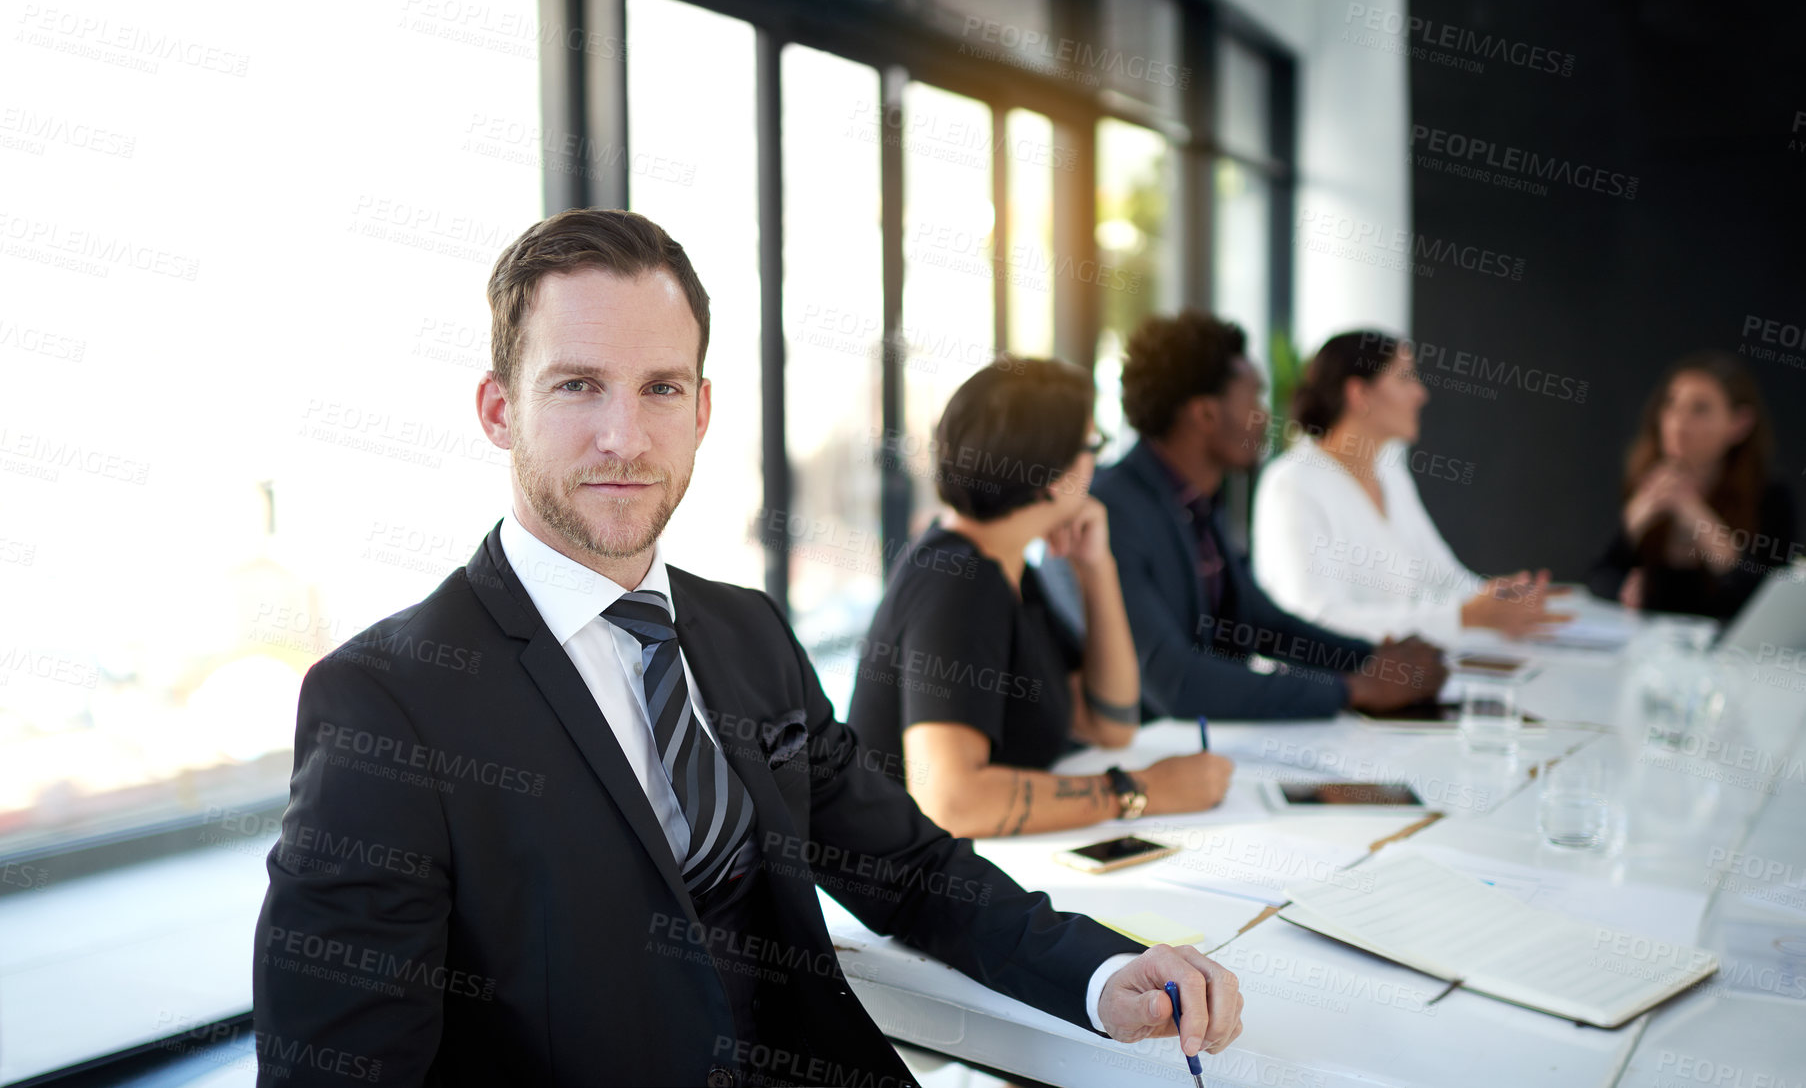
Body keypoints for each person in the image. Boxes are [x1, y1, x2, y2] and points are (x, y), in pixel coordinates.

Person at [251, 209, 1243, 1088]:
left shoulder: (746, 631)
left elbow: (909, 868)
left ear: (703, 411)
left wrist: (1104, 972)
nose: (624, 437)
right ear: (498, 410)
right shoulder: (389, 698)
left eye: (660, 388)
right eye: (578, 385)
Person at [847, 358, 1234, 838]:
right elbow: (952, 802)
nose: (1099, 464)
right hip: (918, 893)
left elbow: (1109, 724)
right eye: (1093, 447)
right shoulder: (959, 581)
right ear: (1053, 476)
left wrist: (1097, 570)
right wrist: (1142, 789)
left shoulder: (1009, 569)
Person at [1093, 310, 1447, 723]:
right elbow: (1176, 683)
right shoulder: (1117, 511)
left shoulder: (1193, 503)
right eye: (1254, 398)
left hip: (1202, 746)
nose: (1266, 416)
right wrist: (1356, 688)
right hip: (1141, 754)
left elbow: (1261, 623)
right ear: (1206, 415)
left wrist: (1370, 657)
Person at [1251, 331, 1571, 647]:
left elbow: (1443, 578)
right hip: (1328, 691)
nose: (1421, 394)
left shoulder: (1392, 475)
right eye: (1405, 379)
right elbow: (1318, 620)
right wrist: (1463, 616)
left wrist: (1500, 599)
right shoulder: (1292, 485)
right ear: (1359, 394)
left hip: (1395, 683)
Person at [1586, 352, 1797, 620]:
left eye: (1700, 409)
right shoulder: (1645, 480)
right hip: (1652, 652)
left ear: (1739, 424)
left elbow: (1772, 604)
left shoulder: (1770, 494)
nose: (1678, 422)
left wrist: (1695, 514)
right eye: (1671, 404)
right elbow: (1598, 575)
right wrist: (1634, 525)